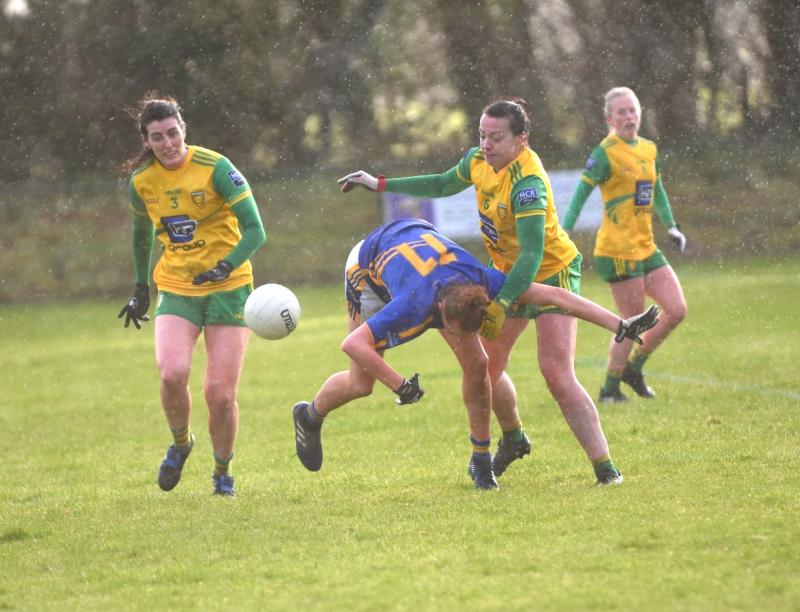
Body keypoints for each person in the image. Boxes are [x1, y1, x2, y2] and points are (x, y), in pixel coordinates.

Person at [337, 99, 626, 485]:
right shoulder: (478, 160)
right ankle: (513, 439)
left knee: (556, 374)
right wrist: (380, 184)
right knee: (485, 369)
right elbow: (442, 183)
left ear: (521, 139)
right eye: (482, 135)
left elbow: (532, 254)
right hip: (503, 273)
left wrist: (503, 303)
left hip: (550, 273)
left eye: (496, 137)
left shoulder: (527, 184)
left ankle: (606, 469)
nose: (486, 144)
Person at [292, 218, 658, 490]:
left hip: (419, 246)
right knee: (362, 383)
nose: (458, 336)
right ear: (440, 313)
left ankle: (481, 459)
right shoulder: (413, 305)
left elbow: (555, 295)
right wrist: (399, 385)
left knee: (479, 362)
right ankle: (309, 415)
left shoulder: (482, 281)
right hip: (366, 267)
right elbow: (353, 344)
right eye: (453, 329)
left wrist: (618, 324)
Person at [118, 95, 266, 497]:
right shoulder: (142, 181)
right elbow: (141, 232)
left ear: (183, 129)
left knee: (220, 394)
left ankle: (222, 472)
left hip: (229, 289)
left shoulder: (216, 167)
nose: (168, 143)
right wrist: (140, 286)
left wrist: (226, 265)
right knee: (171, 373)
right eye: (157, 137)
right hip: (177, 287)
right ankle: (182, 444)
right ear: (146, 141)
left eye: (173, 133)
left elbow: (256, 230)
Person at [561, 87, 687, 403]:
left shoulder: (649, 149)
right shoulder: (605, 153)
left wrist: (672, 226)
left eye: (633, 110)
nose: (629, 116)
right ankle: (609, 389)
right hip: (616, 251)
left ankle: (634, 368)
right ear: (609, 119)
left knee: (676, 309)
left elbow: (657, 191)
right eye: (622, 112)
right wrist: (564, 232)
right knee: (632, 321)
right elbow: (580, 194)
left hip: (646, 246)